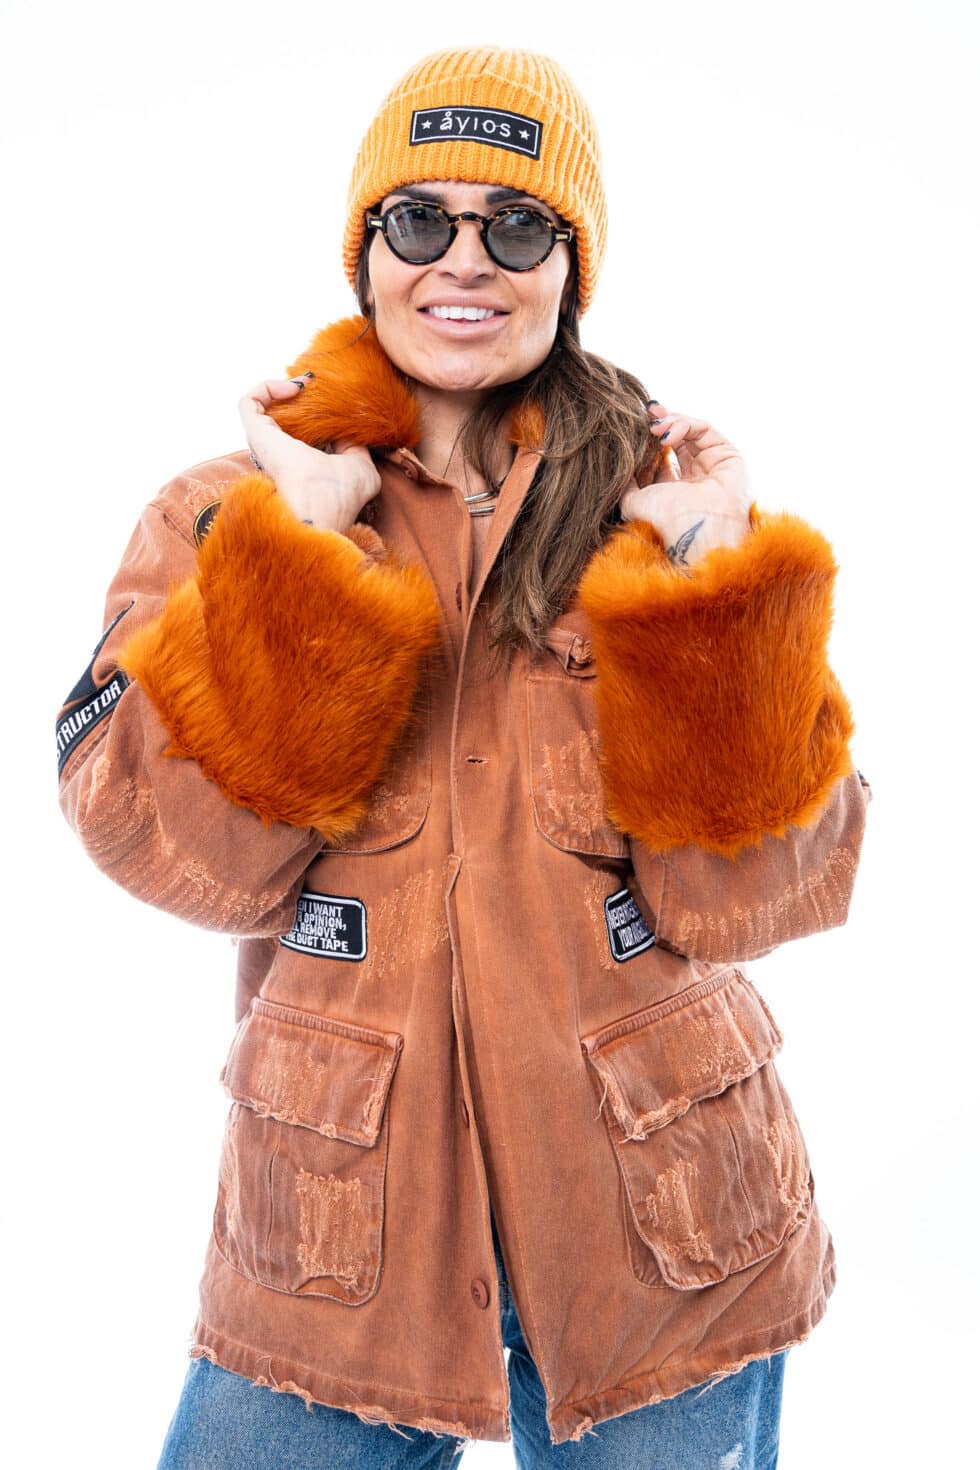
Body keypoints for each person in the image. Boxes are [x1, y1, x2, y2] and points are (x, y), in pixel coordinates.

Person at [56, 44, 871, 1470]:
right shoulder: (226, 514)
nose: (465, 260)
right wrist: (305, 553)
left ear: (572, 266)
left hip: (667, 1231)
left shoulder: (661, 508)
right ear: (366, 252)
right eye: (420, 218)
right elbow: (178, 862)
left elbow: (757, 898)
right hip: (336, 1240)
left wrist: (711, 585)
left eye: (518, 225)